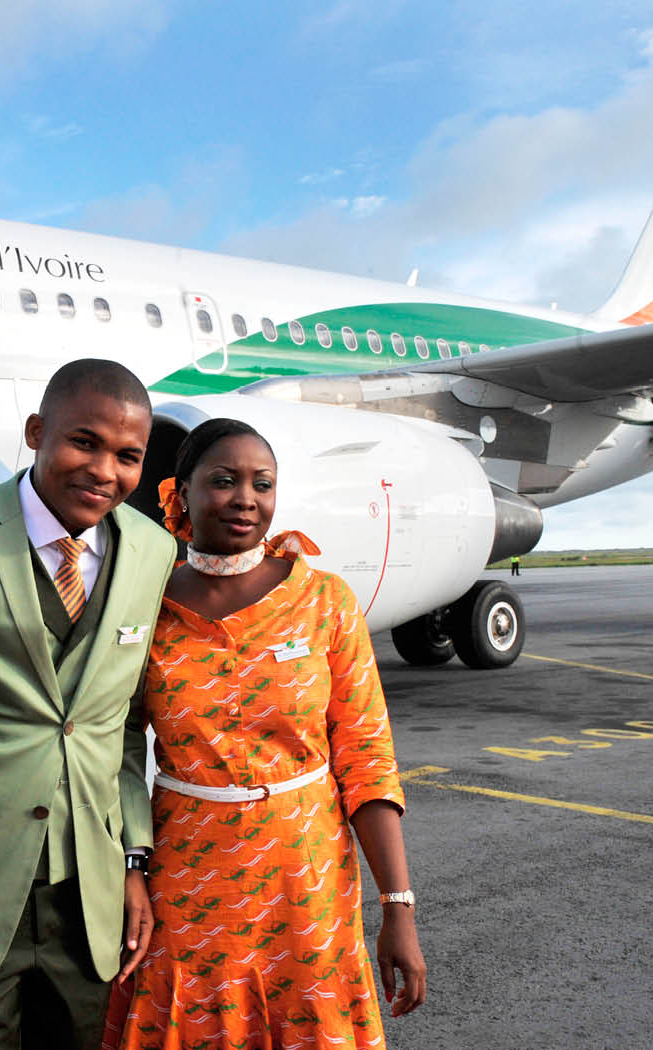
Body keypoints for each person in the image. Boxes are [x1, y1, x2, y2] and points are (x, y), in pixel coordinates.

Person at [106, 417, 426, 1050]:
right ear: (182, 493)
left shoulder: (325, 601)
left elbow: (366, 759)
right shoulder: (143, 603)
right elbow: (111, 749)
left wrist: (398, 906)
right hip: (186, 875)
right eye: (223, 481)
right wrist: (129, 867)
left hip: (305, 882)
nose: (245, 498)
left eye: (263, 483)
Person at [0, 359, 177, 1050]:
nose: (103, 471)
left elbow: (120, 729)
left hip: (87, 893)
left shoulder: (152, 551)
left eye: (127, 456)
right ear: (35, 433)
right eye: (83, 442)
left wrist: (133, 858)